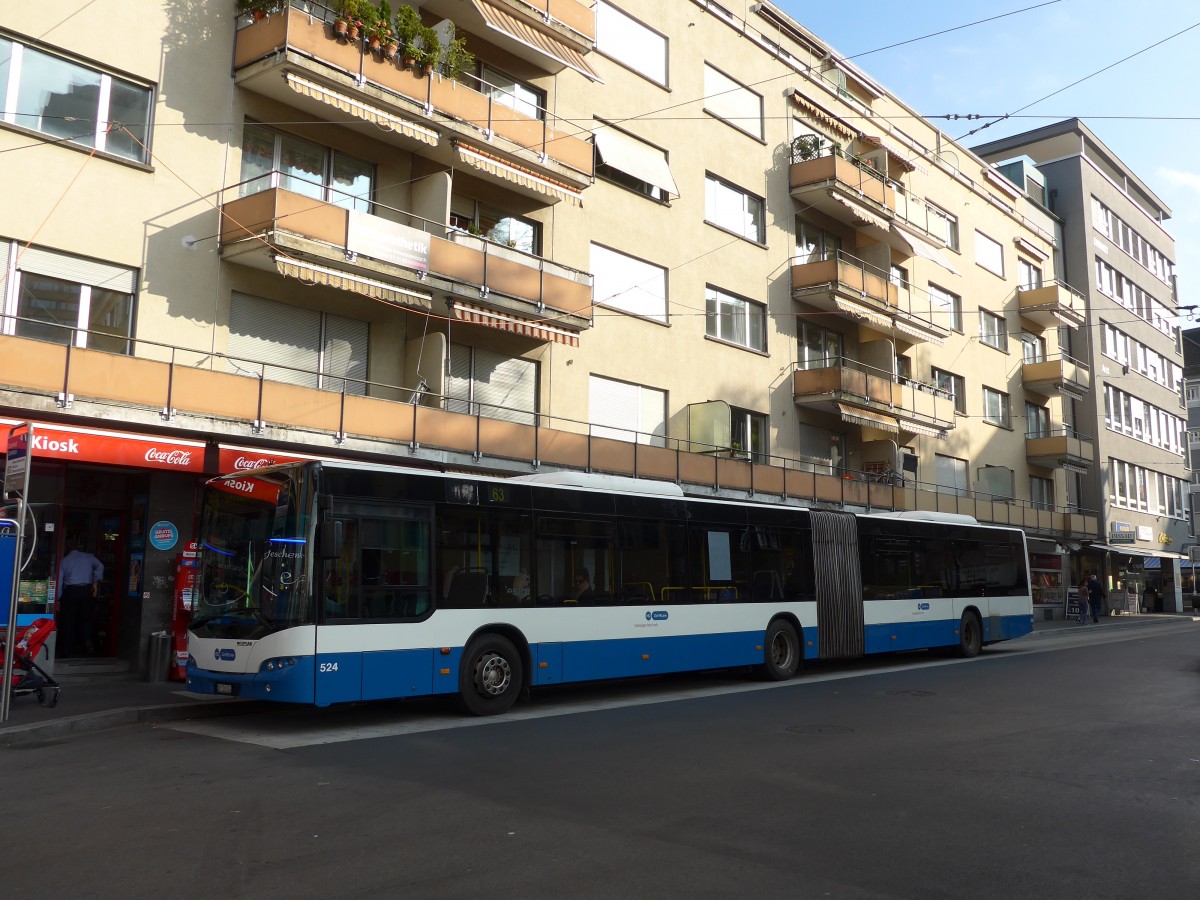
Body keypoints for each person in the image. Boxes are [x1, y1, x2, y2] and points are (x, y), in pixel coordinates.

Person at [57, 537, 104, 656]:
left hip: (71, 591)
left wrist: (57, 599)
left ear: (67, 548)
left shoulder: (64, 561)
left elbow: (60, 582)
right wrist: (96, 581)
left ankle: (67, 649)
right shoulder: (88, 557)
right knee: (86, 619)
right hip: (85, 591)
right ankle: (87, 644)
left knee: (68, 620)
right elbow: (100, 566)